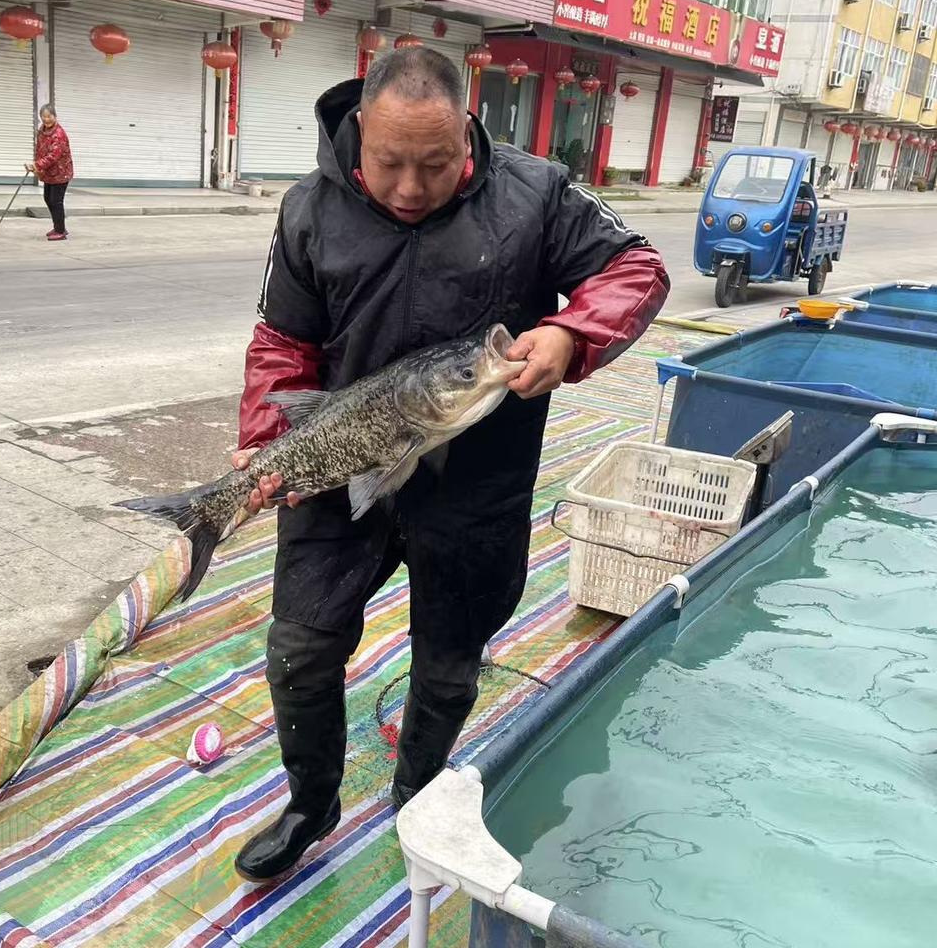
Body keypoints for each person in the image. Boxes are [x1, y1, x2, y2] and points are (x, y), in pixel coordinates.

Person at [231, 48, 669, 882]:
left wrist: (572, 331)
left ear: (467, 134)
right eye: (389, 162)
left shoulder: (535, 194)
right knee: (300, 647)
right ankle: (310, 803)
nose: (408, 187)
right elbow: (283, 341)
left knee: (449, 657)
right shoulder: (308, 209)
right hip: (346, 462)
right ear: (358, 133)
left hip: (479, 483)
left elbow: (635, 267)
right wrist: (264, 438)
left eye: (434, 165)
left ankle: (418, 795)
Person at [26, 104, 74, 241]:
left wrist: (37, 165)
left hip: (61, 172)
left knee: (56, 201)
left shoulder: (59, 134)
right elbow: (39, 150)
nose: (46, 119)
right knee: (48, 199)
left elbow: (54, 155)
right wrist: (36, 166)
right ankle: (58, 226)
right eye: (44, 116)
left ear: (55, 116)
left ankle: (60, 231)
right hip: (49, 172)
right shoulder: (42, 131)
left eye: (49, 116)